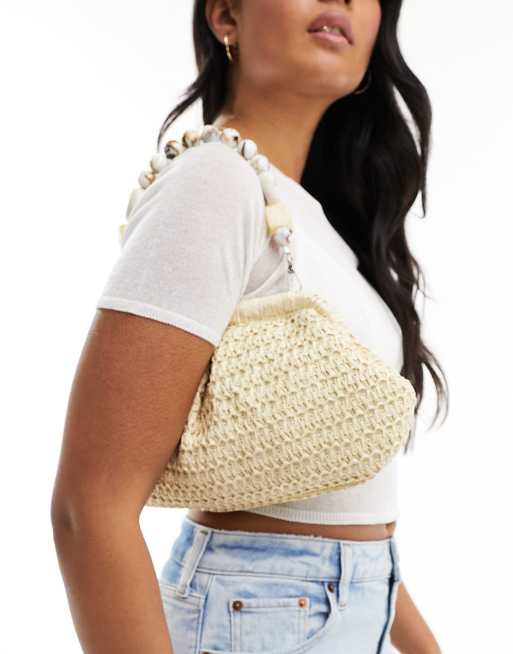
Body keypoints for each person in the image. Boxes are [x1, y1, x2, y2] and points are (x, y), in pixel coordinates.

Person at [51, 1, 448, 653]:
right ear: (224, 17)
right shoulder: (212, 182)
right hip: (261, 616)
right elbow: (88, 510)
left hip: (344, 608)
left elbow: (343, 505)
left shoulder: (306, 214)